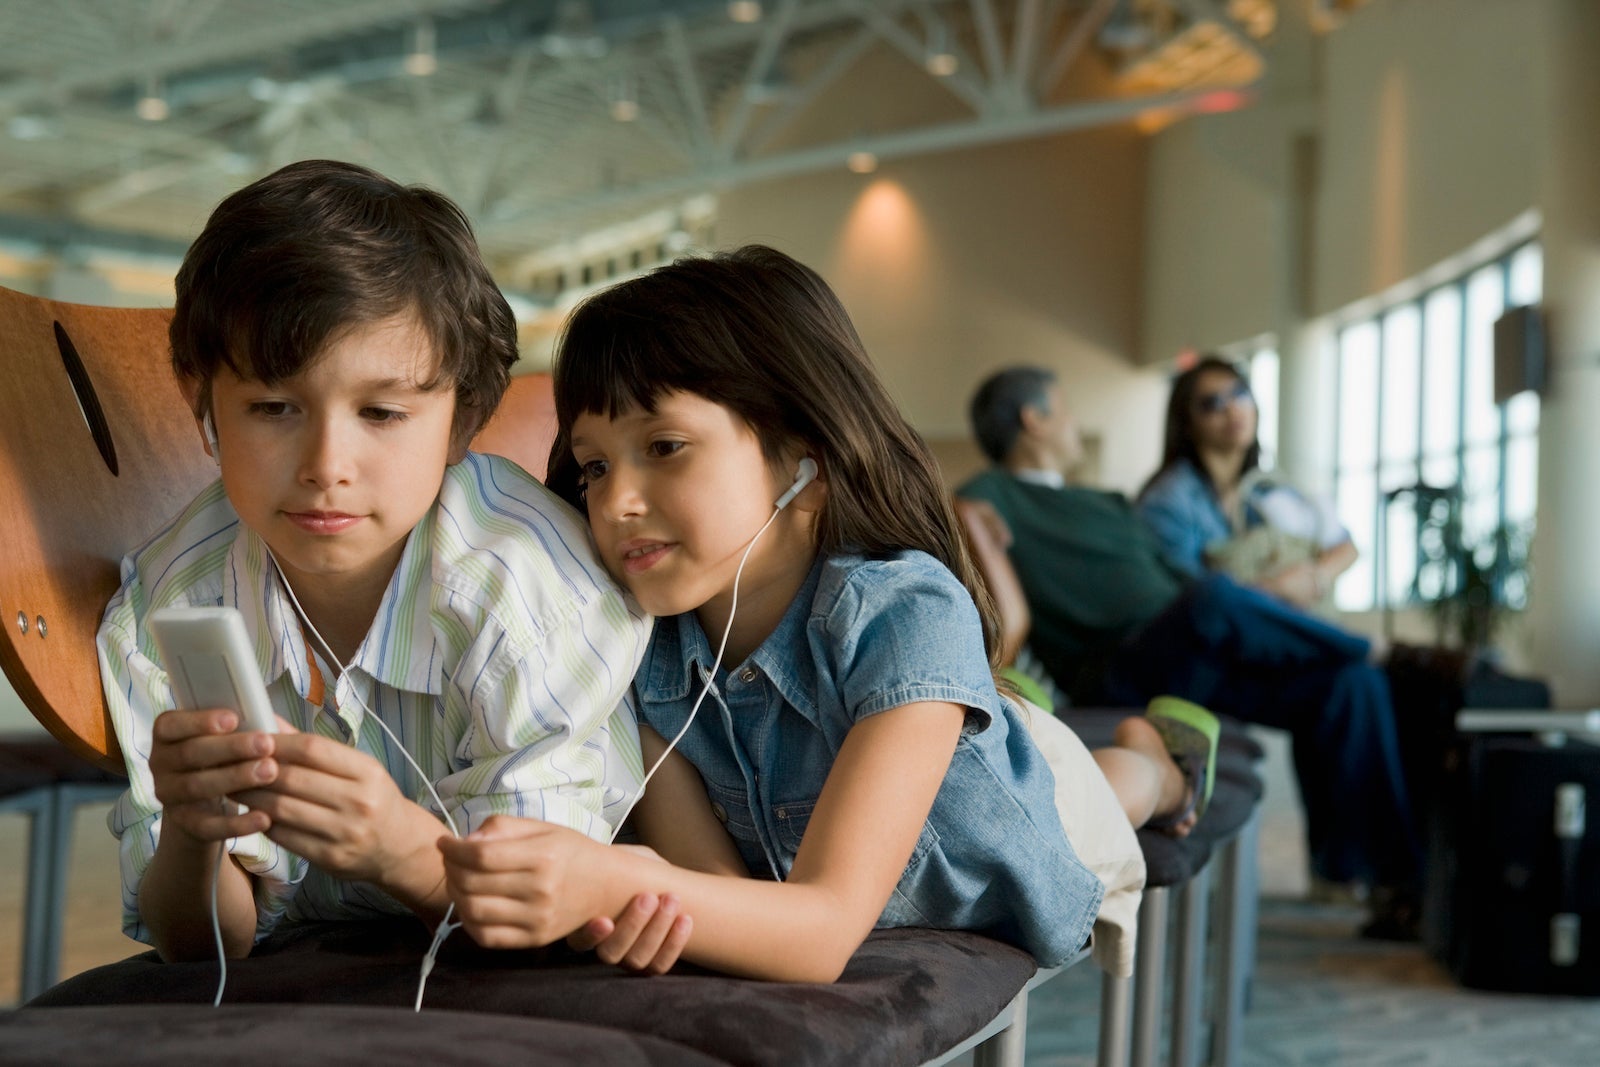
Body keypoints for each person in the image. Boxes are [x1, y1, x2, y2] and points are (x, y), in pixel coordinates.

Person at [437, 246, 1222, 982]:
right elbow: (719, 884)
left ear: (805, 464)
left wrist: (611, 878)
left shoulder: (898, 611)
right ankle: (994, 709)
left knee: (1109, 787)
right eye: (595, 465)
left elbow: (818, 931)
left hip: (999, 834)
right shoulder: (637, 650)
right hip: (891, 763)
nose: (616, 500)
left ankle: (1161, 756)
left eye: (666, 445)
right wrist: (653, 899)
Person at [97, 160, 653, 963]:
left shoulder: (528, 592)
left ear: (461, 416)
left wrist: (400, 850)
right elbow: (204, 943)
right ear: (201, 398)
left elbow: (544, 922)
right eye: (274, 407)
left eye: (383, 412)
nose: (328, 462)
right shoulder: (166, 609)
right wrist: (192, 830)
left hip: (533, 968)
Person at [957, 366, 1422, 938]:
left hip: (1192, 650)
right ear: (1034, 420)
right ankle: (1384, 651)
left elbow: (1174, 581)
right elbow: (954, 519)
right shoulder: (987, 496)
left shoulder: (1104, 502)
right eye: (1066, 408)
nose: (1077, 423)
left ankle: (1388, 885)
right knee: (1214, 600)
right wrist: (969, 519)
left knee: (1350, 684)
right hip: (1120, 669)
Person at [1137, 356, 1356, 608]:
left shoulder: (1266, 489)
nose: (1232, 409)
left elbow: (1345, 545)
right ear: (1187, 423)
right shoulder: (1167, 500)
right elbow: (1190, 602)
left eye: (1240, 394)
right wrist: (1277, 589)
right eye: (1212, 403)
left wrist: (1316, 577)